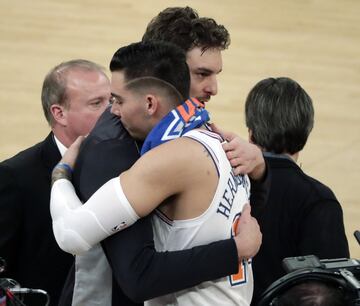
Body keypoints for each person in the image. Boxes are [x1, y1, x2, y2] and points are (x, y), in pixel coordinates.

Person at [58, 7, 268, 306]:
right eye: (201, 74)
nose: (214, 88)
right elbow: (138, 274)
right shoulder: (113, 147)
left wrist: (259, 169)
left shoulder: (189, 130)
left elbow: (236, 218)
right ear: (167, 72)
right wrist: (234, 251)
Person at [0, 59, 110, 306]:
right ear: (59, 113)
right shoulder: (15, 177)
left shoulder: (125, 163)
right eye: (97, 103)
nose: (111, 111)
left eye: (111, 100)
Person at [244, 77, 350, 305]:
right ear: (306, 133)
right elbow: (333, 293)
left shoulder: (225, 186)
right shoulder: (318, 200)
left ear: (250, 134)